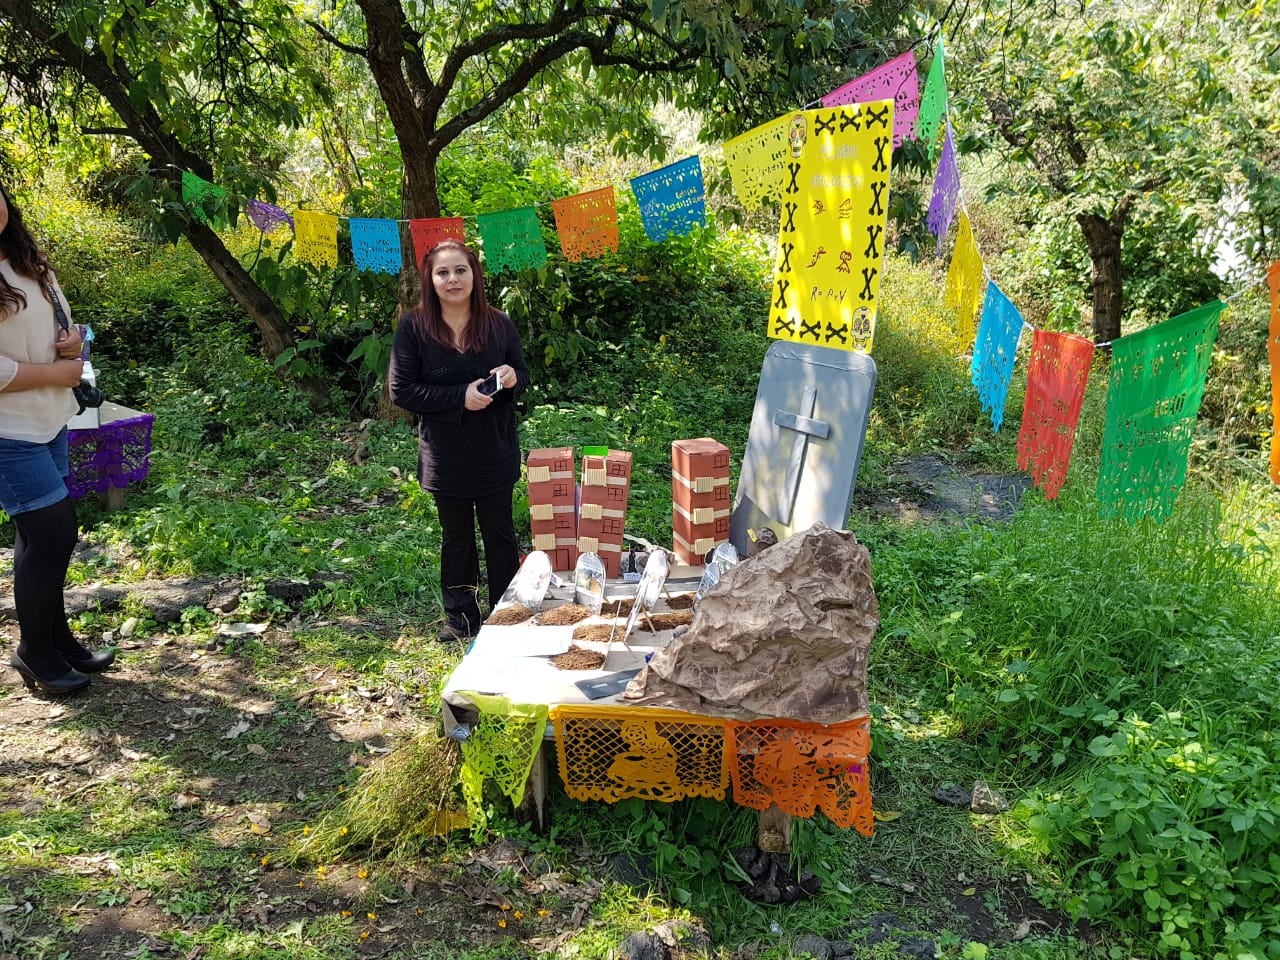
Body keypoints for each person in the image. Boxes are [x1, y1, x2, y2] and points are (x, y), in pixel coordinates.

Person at [0, 181, 114, 695]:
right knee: (54, 533)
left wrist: (76, 341)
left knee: (37, 538)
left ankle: (57, 638)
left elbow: (66, 328)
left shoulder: (27, 258)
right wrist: (56, 372)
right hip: (7, 431)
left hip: (49, 419)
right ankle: (34, 652)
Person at [388, 240, 529, 640]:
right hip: (445, 454)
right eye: (442, 272)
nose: (452, 279)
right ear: (430, 280)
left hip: (494, 449)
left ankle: (506, 613)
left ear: (474, 275)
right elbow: (401, 390)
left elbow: (522, 375)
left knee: (500, 535)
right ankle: (462, 619)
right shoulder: (414, 328)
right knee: (457, 538)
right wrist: (459, 398)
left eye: (460, 271)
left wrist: (512, 379)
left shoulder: (499, 323)